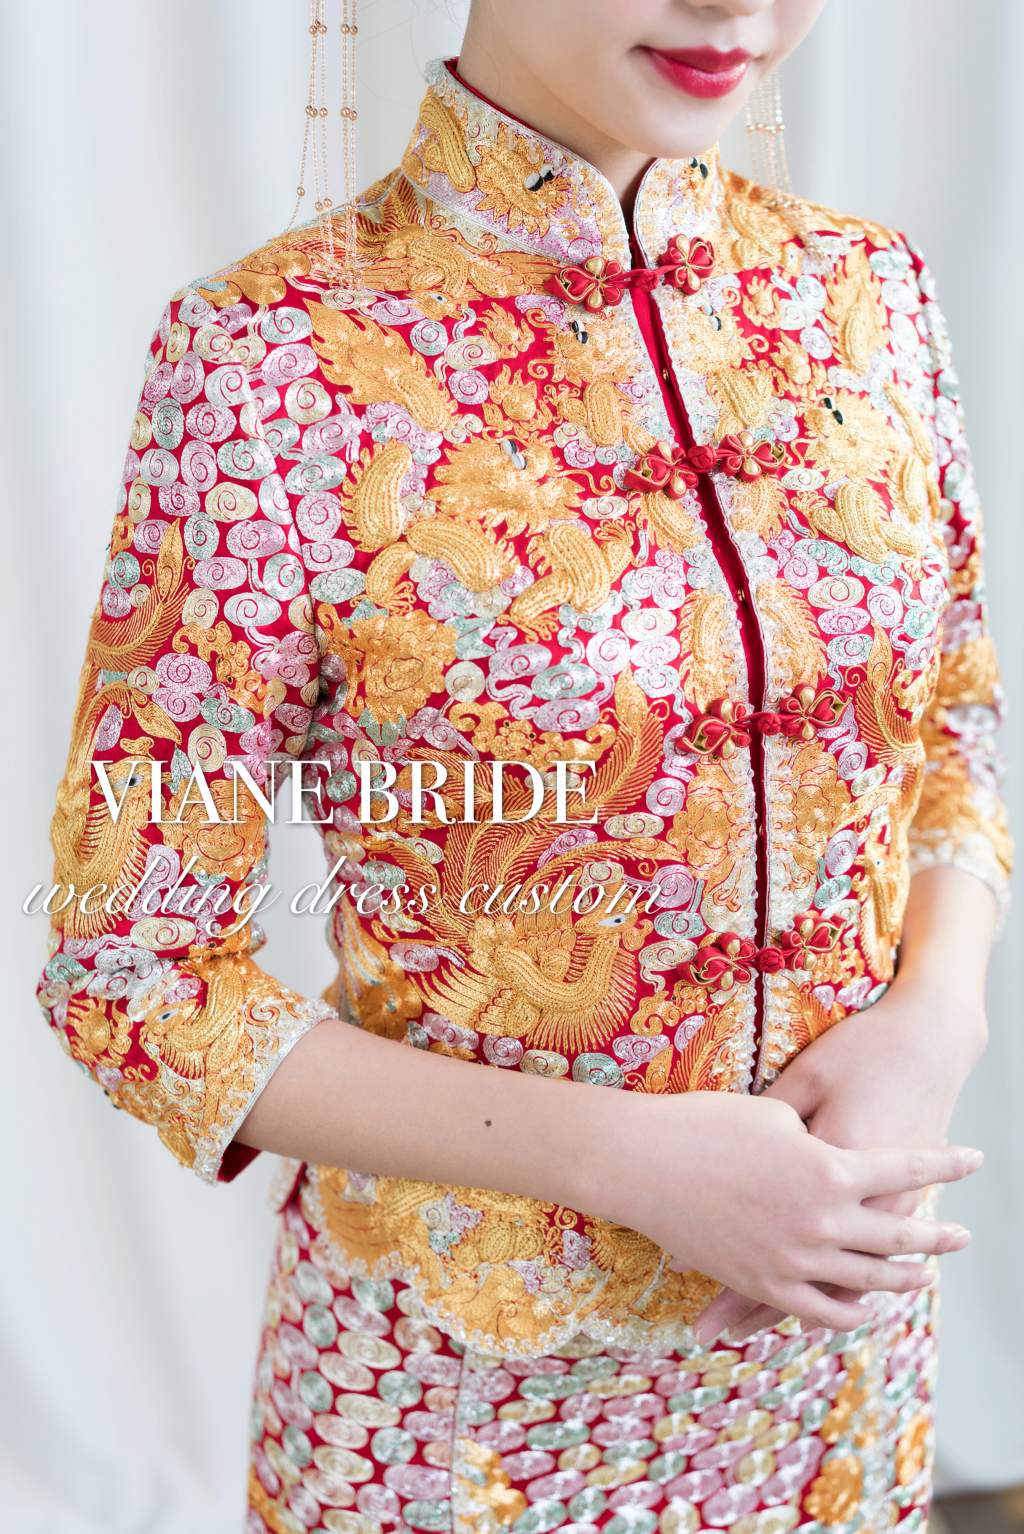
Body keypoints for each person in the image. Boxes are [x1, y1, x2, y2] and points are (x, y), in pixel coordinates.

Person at [39, 0, 1012, 1530]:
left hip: (840, 1364)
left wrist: (937, 1016)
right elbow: (134, 972)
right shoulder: (278, 356)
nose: (736, 4)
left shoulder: (867, 292)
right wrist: (631, 1162)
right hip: (457, 1411)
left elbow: (955, 711)